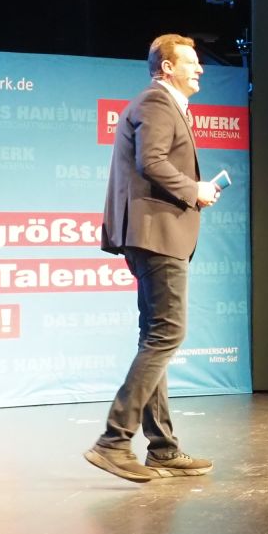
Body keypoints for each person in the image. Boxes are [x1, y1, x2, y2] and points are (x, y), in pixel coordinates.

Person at [84, 34, 221, 483]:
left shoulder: (166, 104)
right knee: (168, 333)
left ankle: (162, 448)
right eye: (191, 62)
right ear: (166, 68)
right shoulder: (157, 102)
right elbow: (153, 161)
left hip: (153, 234)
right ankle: (113, 441)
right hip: (156, 235)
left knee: (156, 336)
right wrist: (194, 190)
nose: (199, 68)